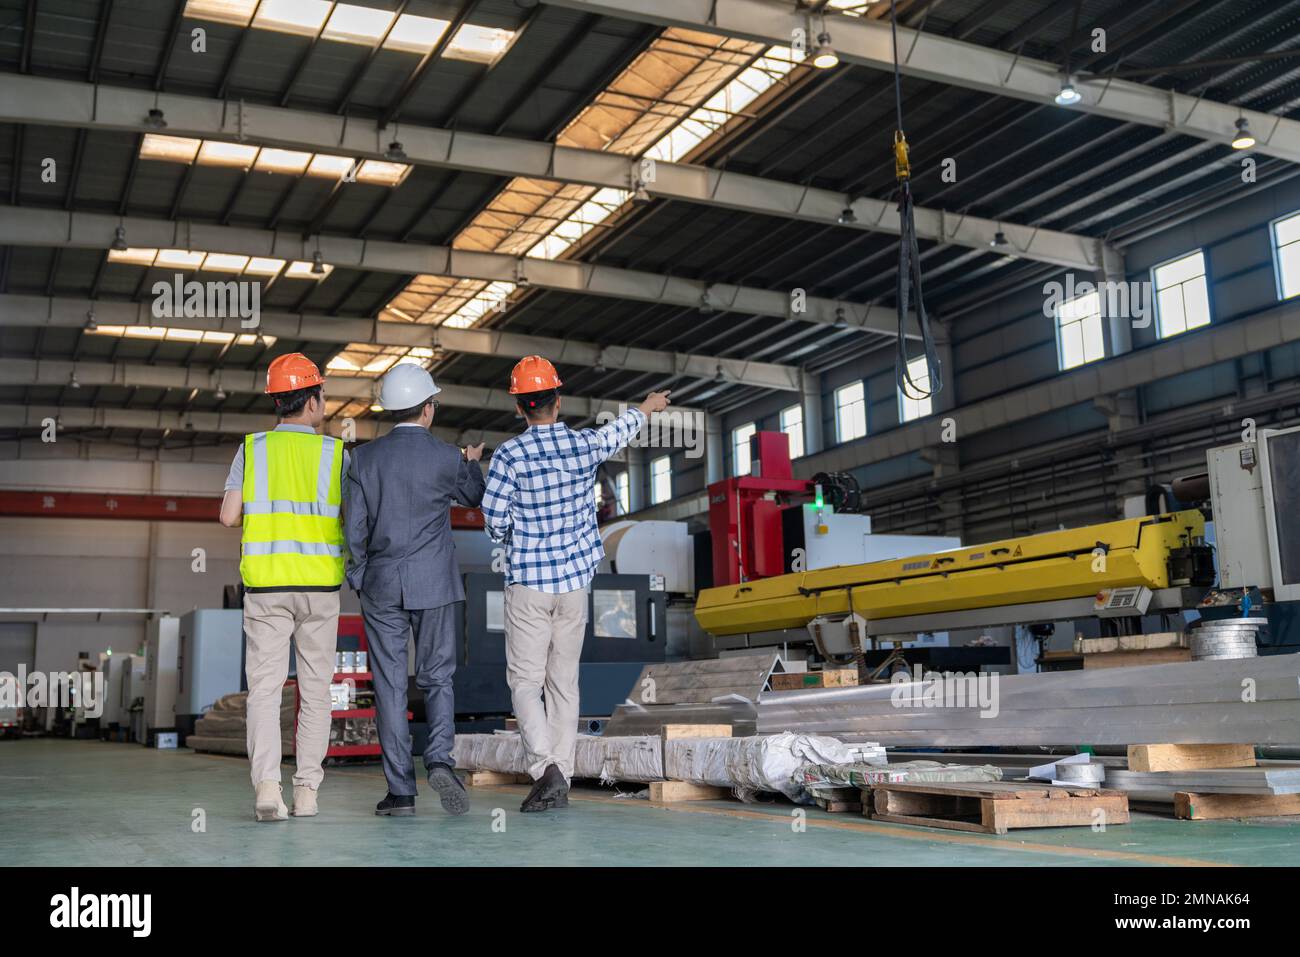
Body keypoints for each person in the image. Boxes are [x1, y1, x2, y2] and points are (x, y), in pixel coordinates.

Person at [480, 355, 670, 812]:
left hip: (529, 582)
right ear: (558, 401)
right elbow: (617, 432)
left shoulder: (510, 455)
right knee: (564, 682)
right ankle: (560, 774)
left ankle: (544, 766)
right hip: (573, 585)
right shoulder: (582, 445)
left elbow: (491, 518)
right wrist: (646, 407)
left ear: (520, 407)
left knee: (526, 683)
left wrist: (513, 535)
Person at [344, 364, 485, 818]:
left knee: (388, 685)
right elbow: (473, 498)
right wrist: (470, 461)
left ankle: (401, 792)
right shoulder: (447, 457)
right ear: (428, 409)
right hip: (435, 582)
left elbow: (354, 530)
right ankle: (440, 760)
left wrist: (361, 577)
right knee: (437, 676)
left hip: (381, 583)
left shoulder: (363, 460)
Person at [218, 353, 346, 822]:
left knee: (265, 692)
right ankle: (307, 792)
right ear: (312, 401)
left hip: (267, 588)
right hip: (320, 589)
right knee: (315, 692)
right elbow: (354, 520)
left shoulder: (252, 449)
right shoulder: (336, 454)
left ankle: (268, 789)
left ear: (277, 402)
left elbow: (229, 515)